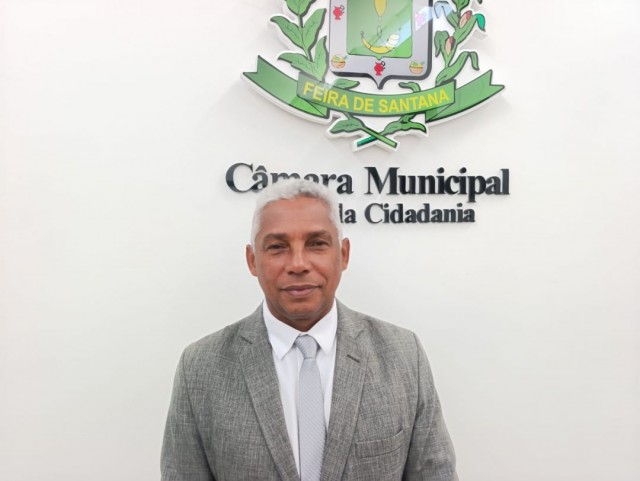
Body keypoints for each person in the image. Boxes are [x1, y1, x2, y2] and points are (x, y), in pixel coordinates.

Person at [161, 179, 457, 481]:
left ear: (343, 254)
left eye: (317, 244)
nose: (298, 264)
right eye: (277, 247)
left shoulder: (403, 355)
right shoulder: (200, 368)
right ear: (252, 261)